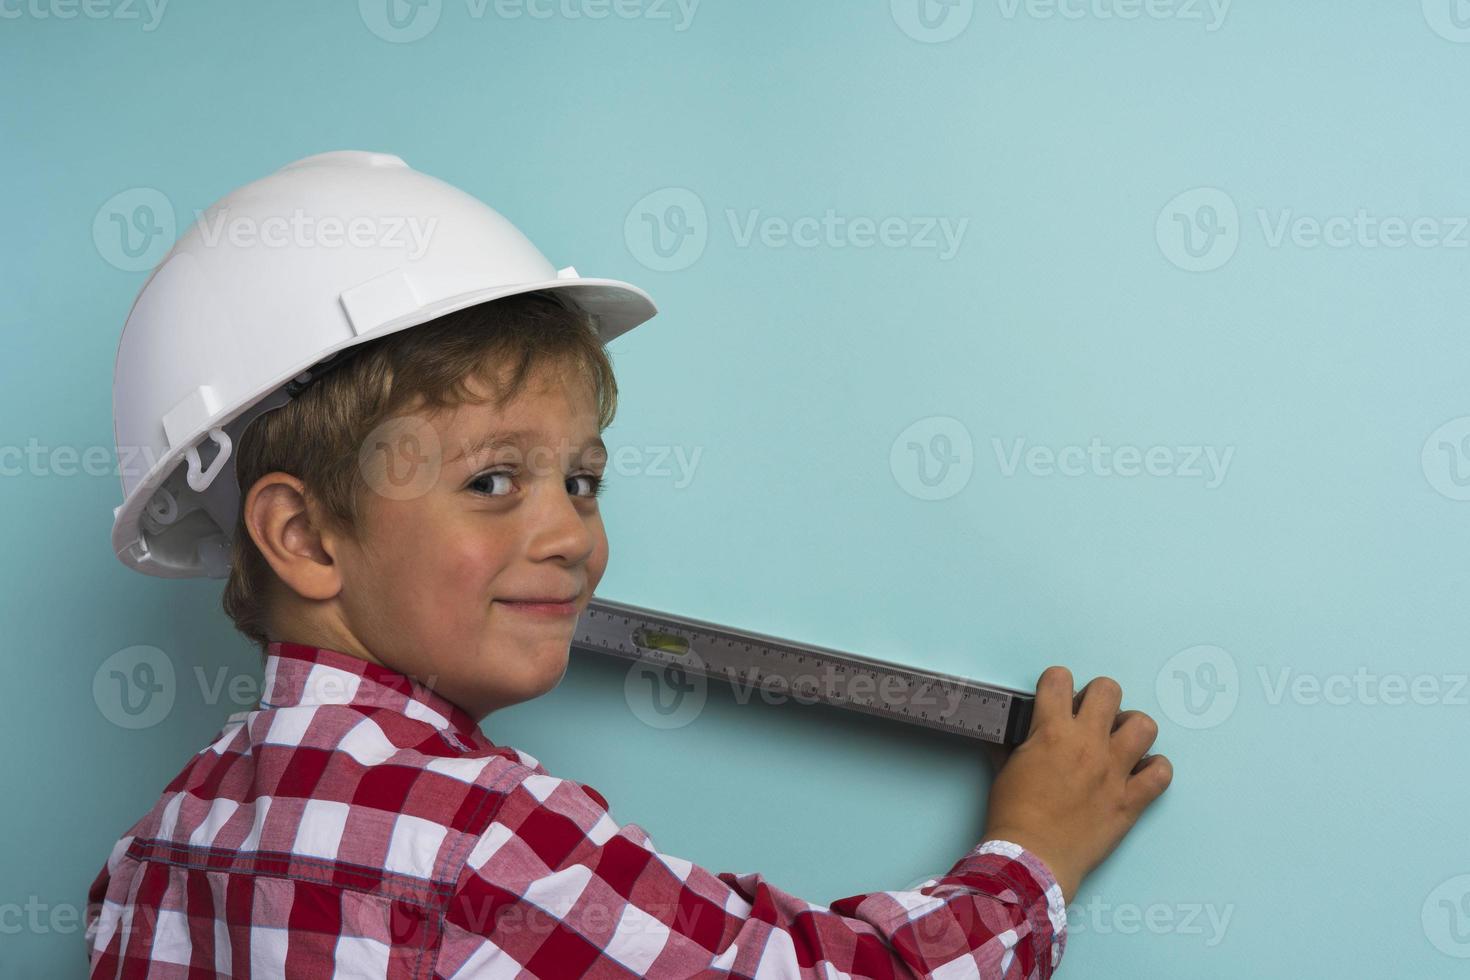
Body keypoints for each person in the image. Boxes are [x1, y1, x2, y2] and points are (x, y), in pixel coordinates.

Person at [87, 151, 1172, 978]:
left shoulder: (158, 848)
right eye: (493, 481)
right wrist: (1030, 857)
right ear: (308, 537)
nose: (573, 535)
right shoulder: (487, 837)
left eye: (583, 479)